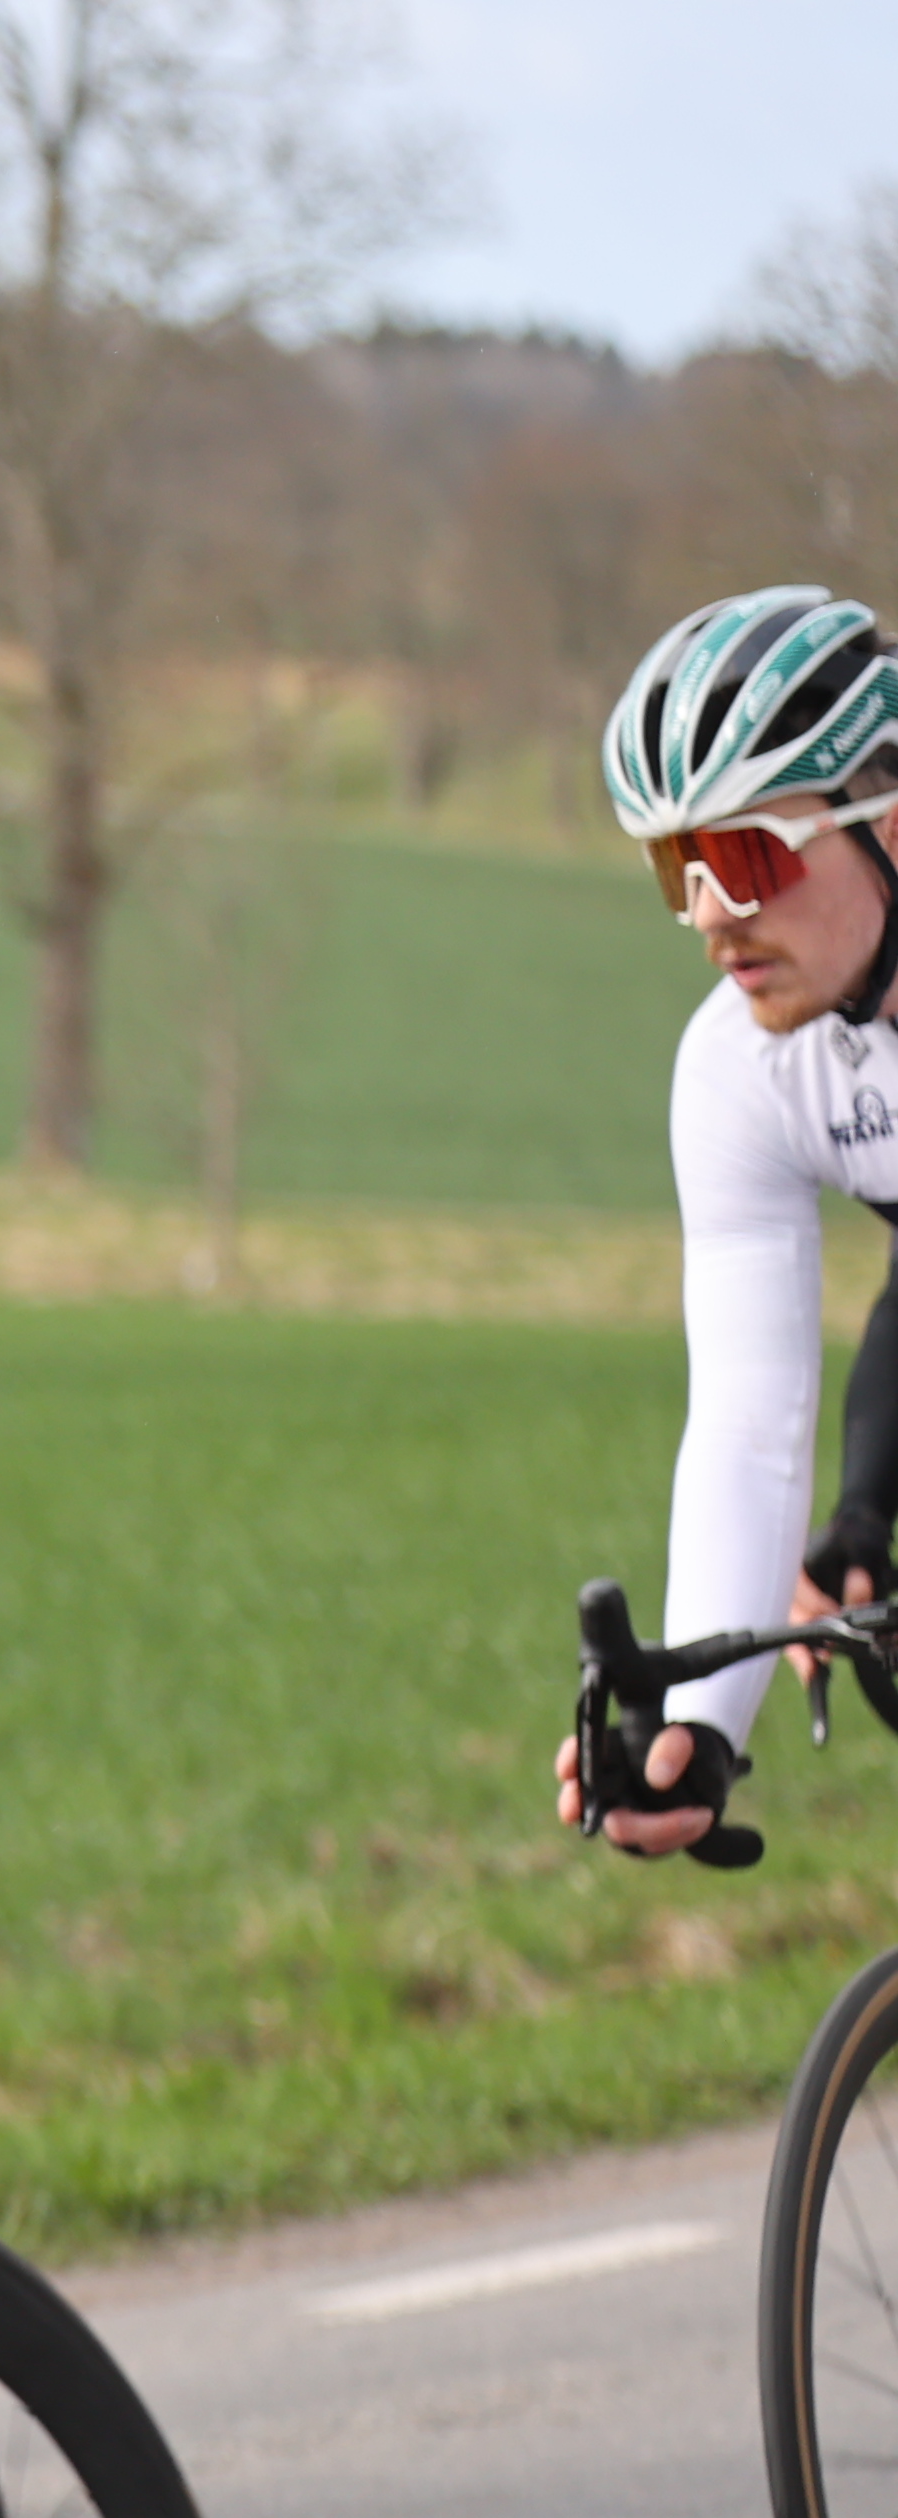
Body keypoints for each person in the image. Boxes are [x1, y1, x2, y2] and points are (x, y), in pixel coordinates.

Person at [564, 585, 898, 1864]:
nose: (709, 915)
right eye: (678, 867)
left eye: (746, 856)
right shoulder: (741, 1072)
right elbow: (751, 1425)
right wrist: (696, 1726)